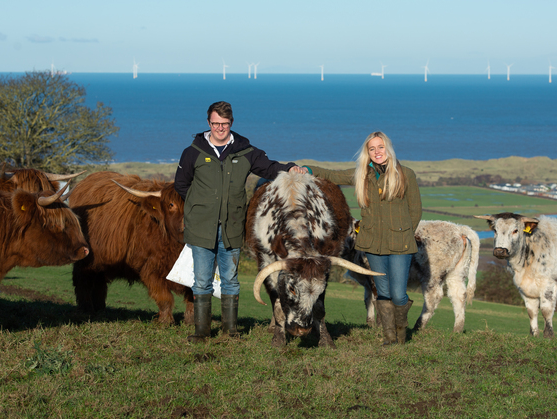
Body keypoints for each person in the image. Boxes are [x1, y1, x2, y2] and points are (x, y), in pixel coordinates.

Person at [175, 101, 306, 343]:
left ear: (231, 123)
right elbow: (181, 185)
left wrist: (291, 168)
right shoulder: (192, 152)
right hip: (201, 227)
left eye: (224, 124)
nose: (220, 128)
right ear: (208, 123)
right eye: (215, 123)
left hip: (232, 226)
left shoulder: (246, 152)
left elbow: (269, 168)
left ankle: (230, 332)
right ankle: (201, 332)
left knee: (230, 280)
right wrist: (198, 207)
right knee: (201, 281)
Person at [304, 131, 422, 345]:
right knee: (383, 292)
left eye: (381, 147)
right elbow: (333, 174)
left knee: (397, 294)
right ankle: (389, 339)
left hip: (400, 244)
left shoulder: (406, 174)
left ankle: (401, 336)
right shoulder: (361, 174)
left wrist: (404, 233)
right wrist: (309, 169)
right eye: (372, 148)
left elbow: (415, 210)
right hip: (372, 243)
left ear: (388, 148)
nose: (377, 152)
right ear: (367, 153)